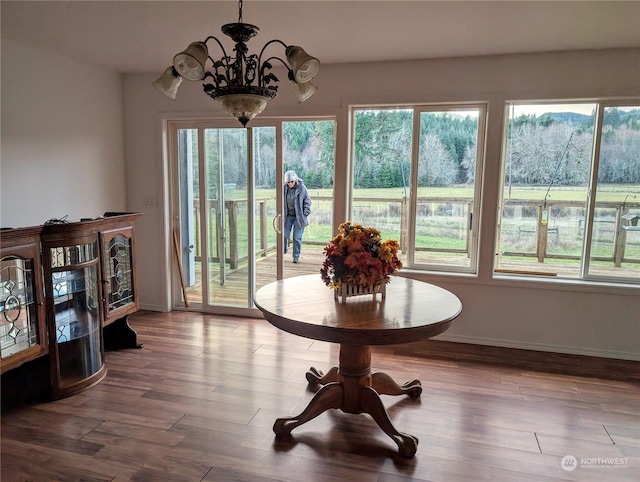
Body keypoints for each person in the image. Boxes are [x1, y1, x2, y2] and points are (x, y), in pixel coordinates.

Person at [283, 170, 311, 263]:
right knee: (284, 235)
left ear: (295, 180)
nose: (290, 183)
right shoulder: (284, 188)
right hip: (288, 216)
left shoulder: (302, 188)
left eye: (292, 181)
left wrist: (305, 212)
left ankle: (296, 256)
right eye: (288, 182)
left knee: (296, 237)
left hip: (299, 217)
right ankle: (283, 250)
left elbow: (307, 200)